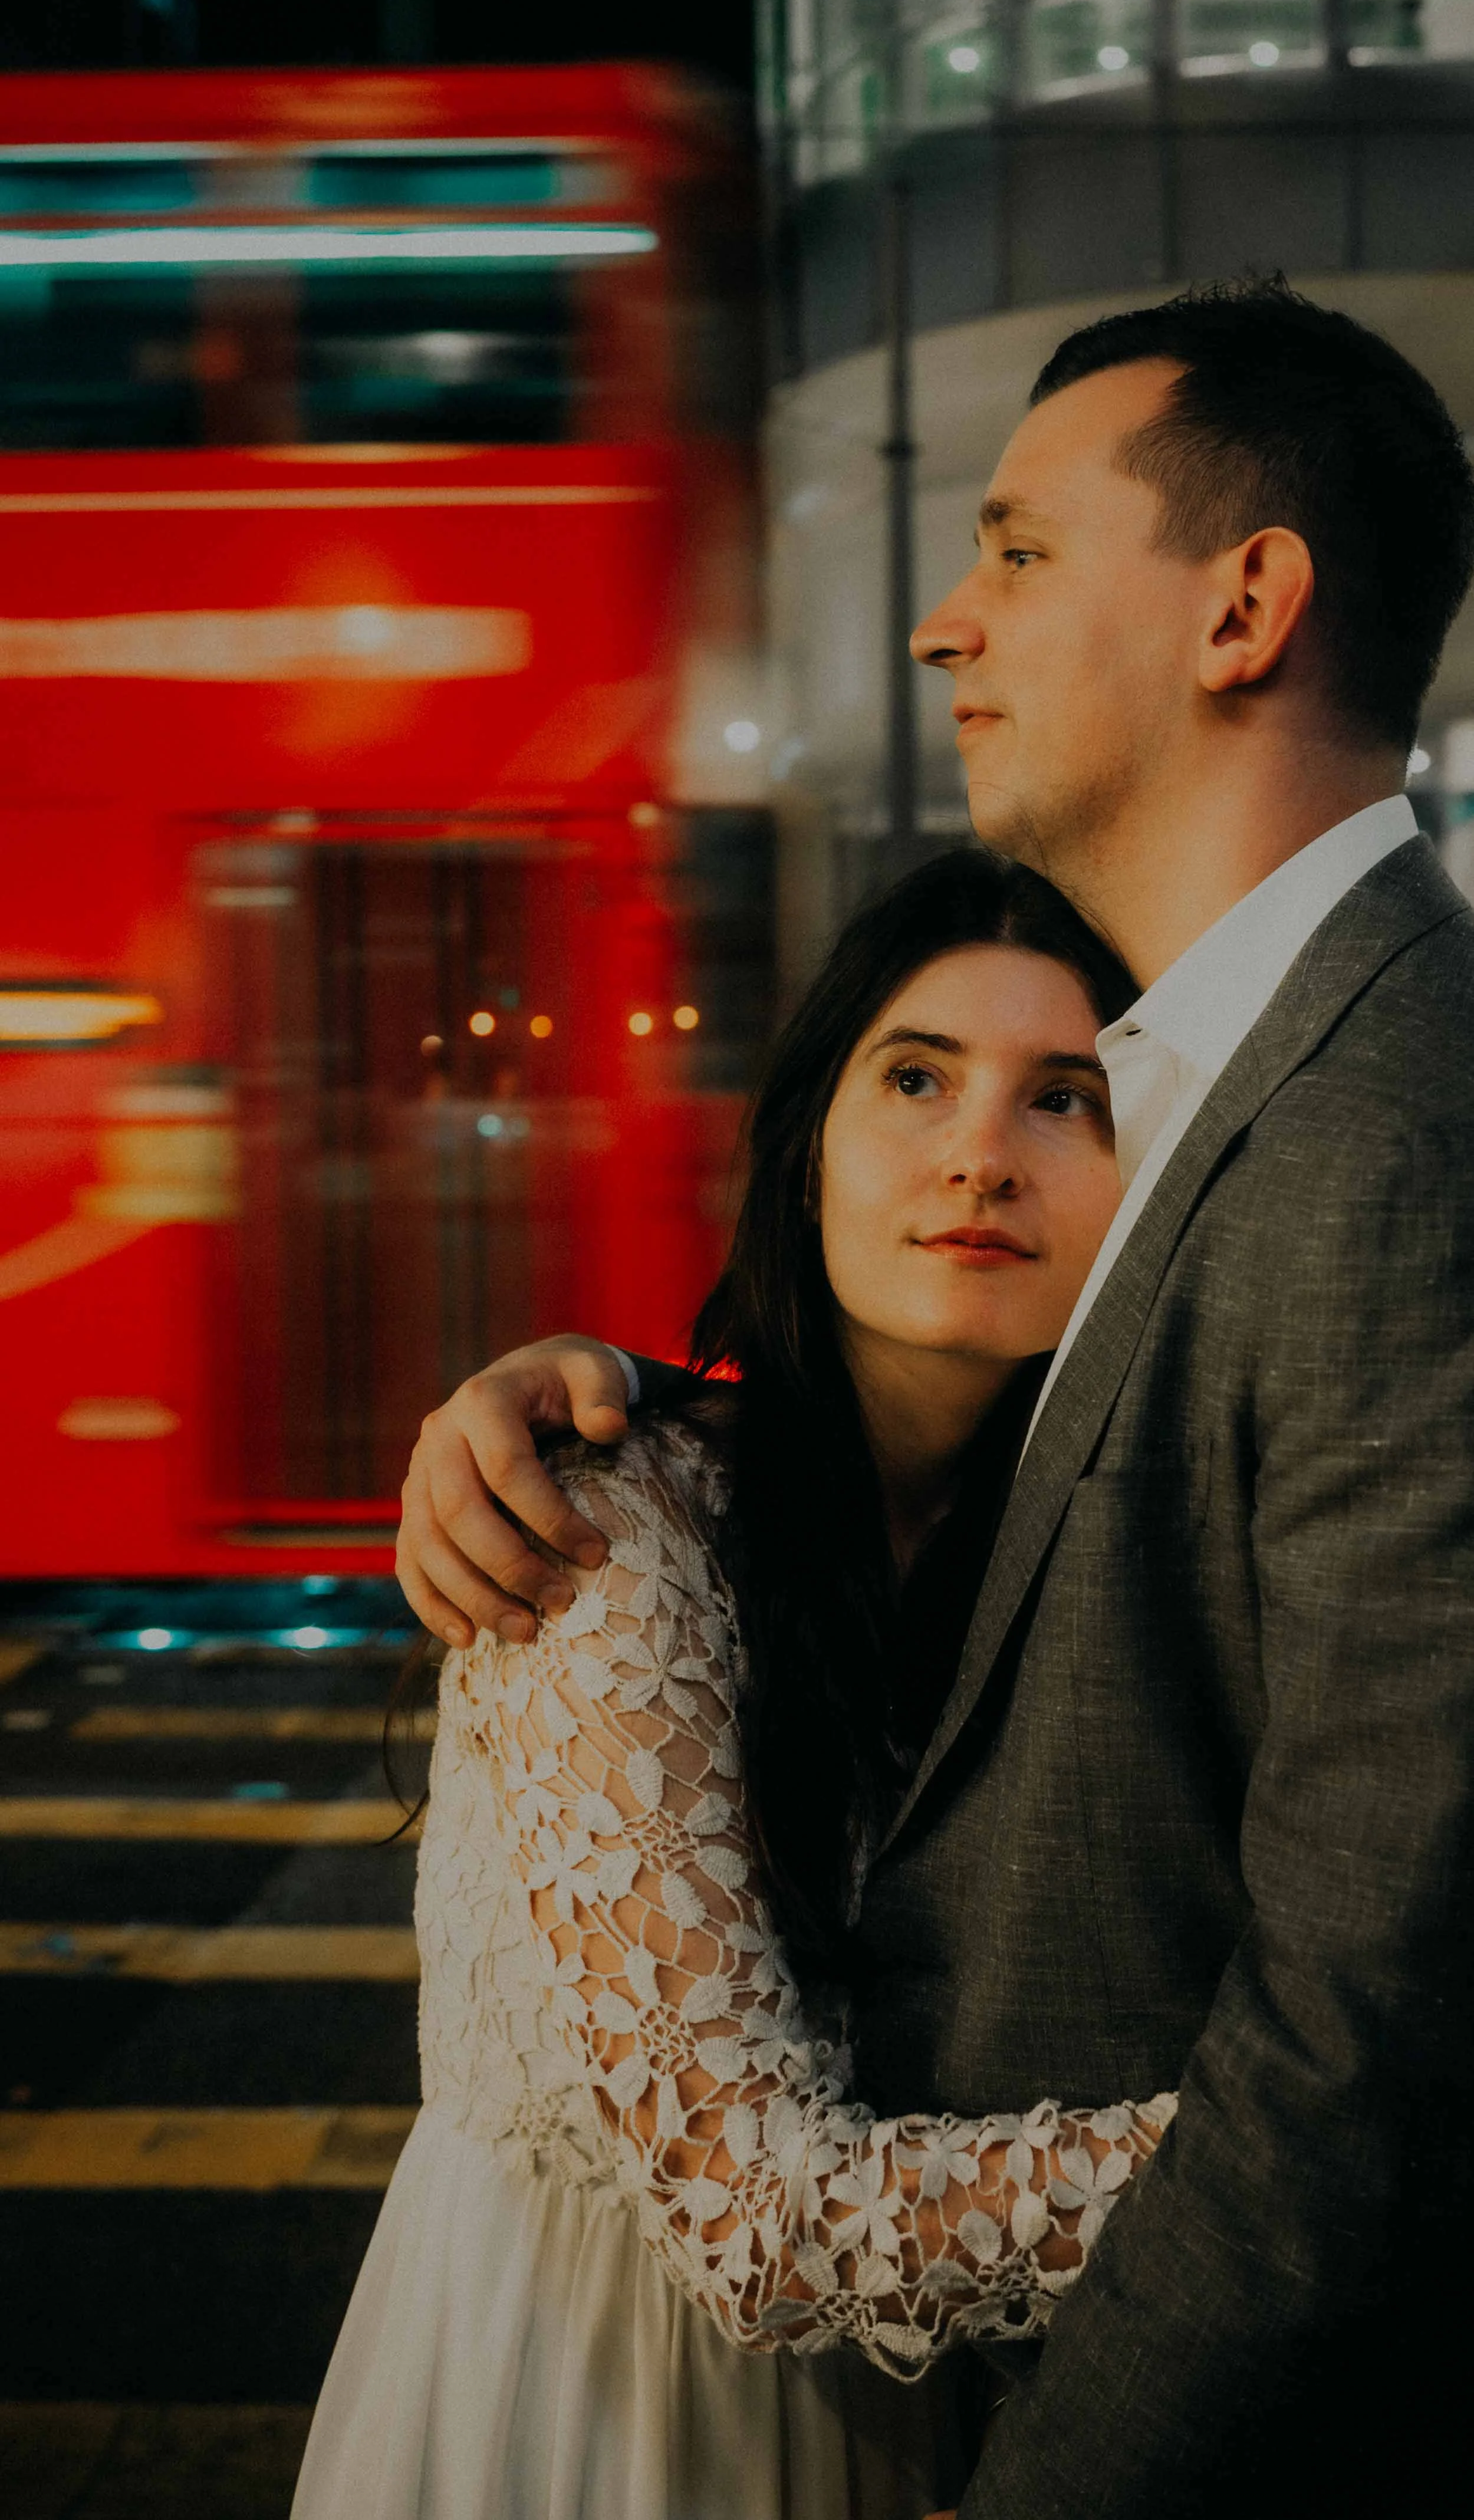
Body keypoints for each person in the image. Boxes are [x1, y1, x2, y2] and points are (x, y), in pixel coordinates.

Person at [399, 275, 1474, 2518]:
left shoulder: (1388, 1132)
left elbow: (1368, 2028)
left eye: (1013, 547)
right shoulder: (1245, 1090)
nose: (939, 623)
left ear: (1241, 604)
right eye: (908, 1079)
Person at [292, 851, 1174, 2520]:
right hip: (590, 2408)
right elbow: (758, 2225)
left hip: (909, 2409)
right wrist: (1297, 2152)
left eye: (1070, 1097)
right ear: (805, 1148)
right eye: (913, 1075)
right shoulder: (612, 1530)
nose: (979, 1150)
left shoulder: (1076, 1549)